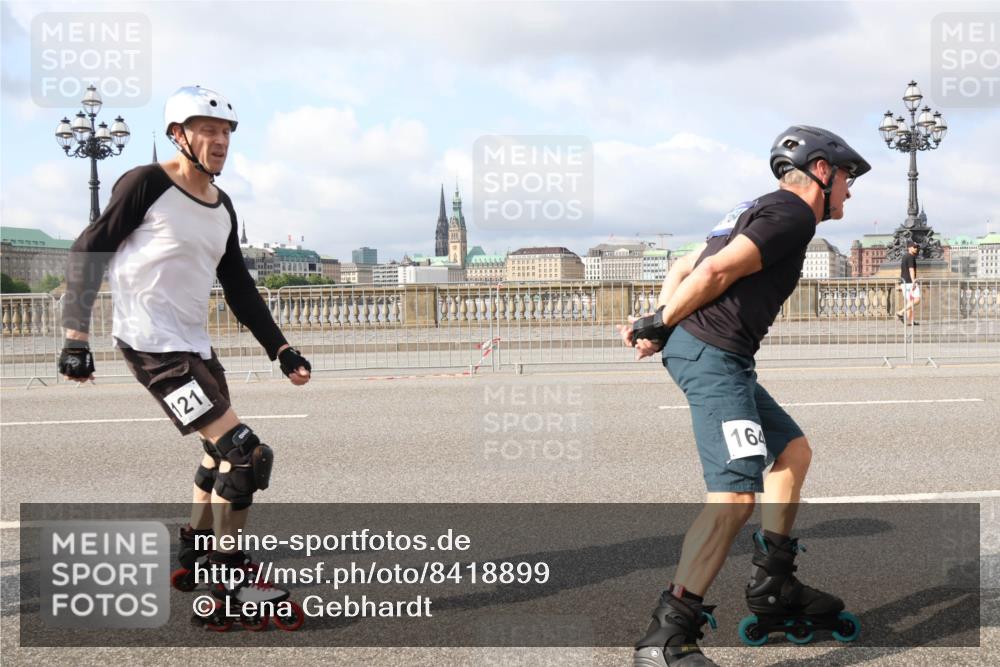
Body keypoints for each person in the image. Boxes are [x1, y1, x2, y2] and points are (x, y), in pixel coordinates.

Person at [58, 85, 312, 624]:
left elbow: (239, 285)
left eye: (226, 133)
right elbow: (90, 247)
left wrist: (281, 348)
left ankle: (198, 553)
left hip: (194, 346)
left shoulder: (222, 207)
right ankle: (228, 581)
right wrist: (75, 338)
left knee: (220, 453)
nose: (219, 141)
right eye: (208, 131)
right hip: (152, 347)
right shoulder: (147, 183)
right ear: (179, 135)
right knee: (246, 452)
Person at [619, 126, 869, 666]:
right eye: (848, 177)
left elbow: (683, 266)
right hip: (714, 356)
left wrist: (659, 326)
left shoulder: (751, 207)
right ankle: (665, 639)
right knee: (734, 496)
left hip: (716, 353)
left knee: (791, 451)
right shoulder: (794, 214)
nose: (851, 190)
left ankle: (773, 587)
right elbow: (712, 270)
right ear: (822, 171)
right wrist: (662, 323)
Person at [896, 241, 920, 325]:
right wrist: (913, 281)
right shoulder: (910, 257)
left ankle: (910, 321)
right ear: (909, 247)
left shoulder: (904, 257)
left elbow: (903, 271)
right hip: (910, 282)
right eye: (914, 247)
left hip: (904, 282)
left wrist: (900, 284)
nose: (916, 248)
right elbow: (911, 269)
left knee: (910, 302)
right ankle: (900, 312)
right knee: (917, 300)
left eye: (916, 247)